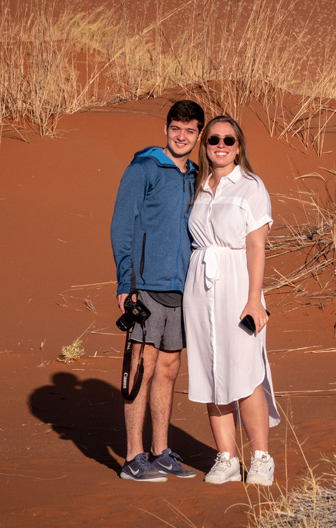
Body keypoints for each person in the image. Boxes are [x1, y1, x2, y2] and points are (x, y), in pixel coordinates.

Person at [110, 99, 205, 482]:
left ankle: (160, 451)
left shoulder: (197, 176)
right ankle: (133, 457)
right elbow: (122, 225)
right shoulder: (143, 169)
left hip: (183, 289)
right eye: (175, 129)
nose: (181, 137)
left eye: (189, 131)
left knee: (168, 369)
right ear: (165, 129)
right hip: (145, 286)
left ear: (198, 134)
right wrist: (126, 282)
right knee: (141, 369)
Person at [183, 116, 280, 486]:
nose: (220, 146)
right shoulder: (198, 186)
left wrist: (254, 300)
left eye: (228, 140)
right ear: (205, 145)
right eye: (213, 140)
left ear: (238, 147)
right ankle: (226, 457)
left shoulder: (251, 186)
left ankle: (261, 458)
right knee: (211, 370)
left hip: (238, 285)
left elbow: (256, 244)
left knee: (245, 370)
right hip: (199, 287)